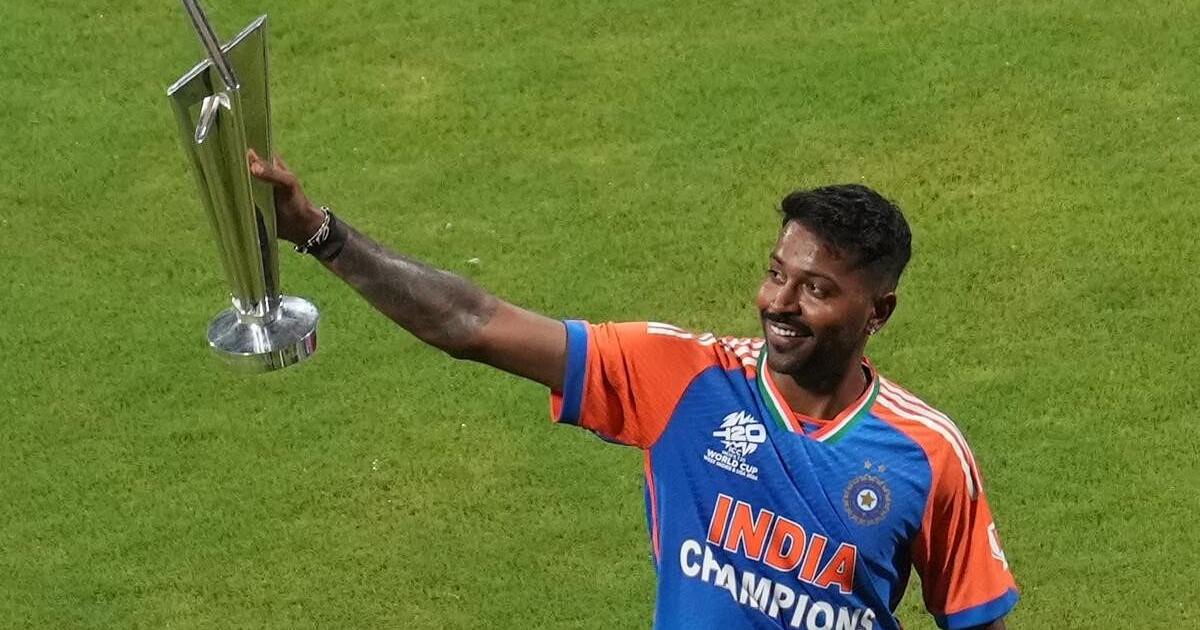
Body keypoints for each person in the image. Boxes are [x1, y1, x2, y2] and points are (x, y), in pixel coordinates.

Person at [247, 150, 1019, 630]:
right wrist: (320, 231)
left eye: (816, 288)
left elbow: (977, 619)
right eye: (777, 272)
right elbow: (473, 323)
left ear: (876, 311)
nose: (779, 301)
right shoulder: (683, 377)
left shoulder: (926, 454)